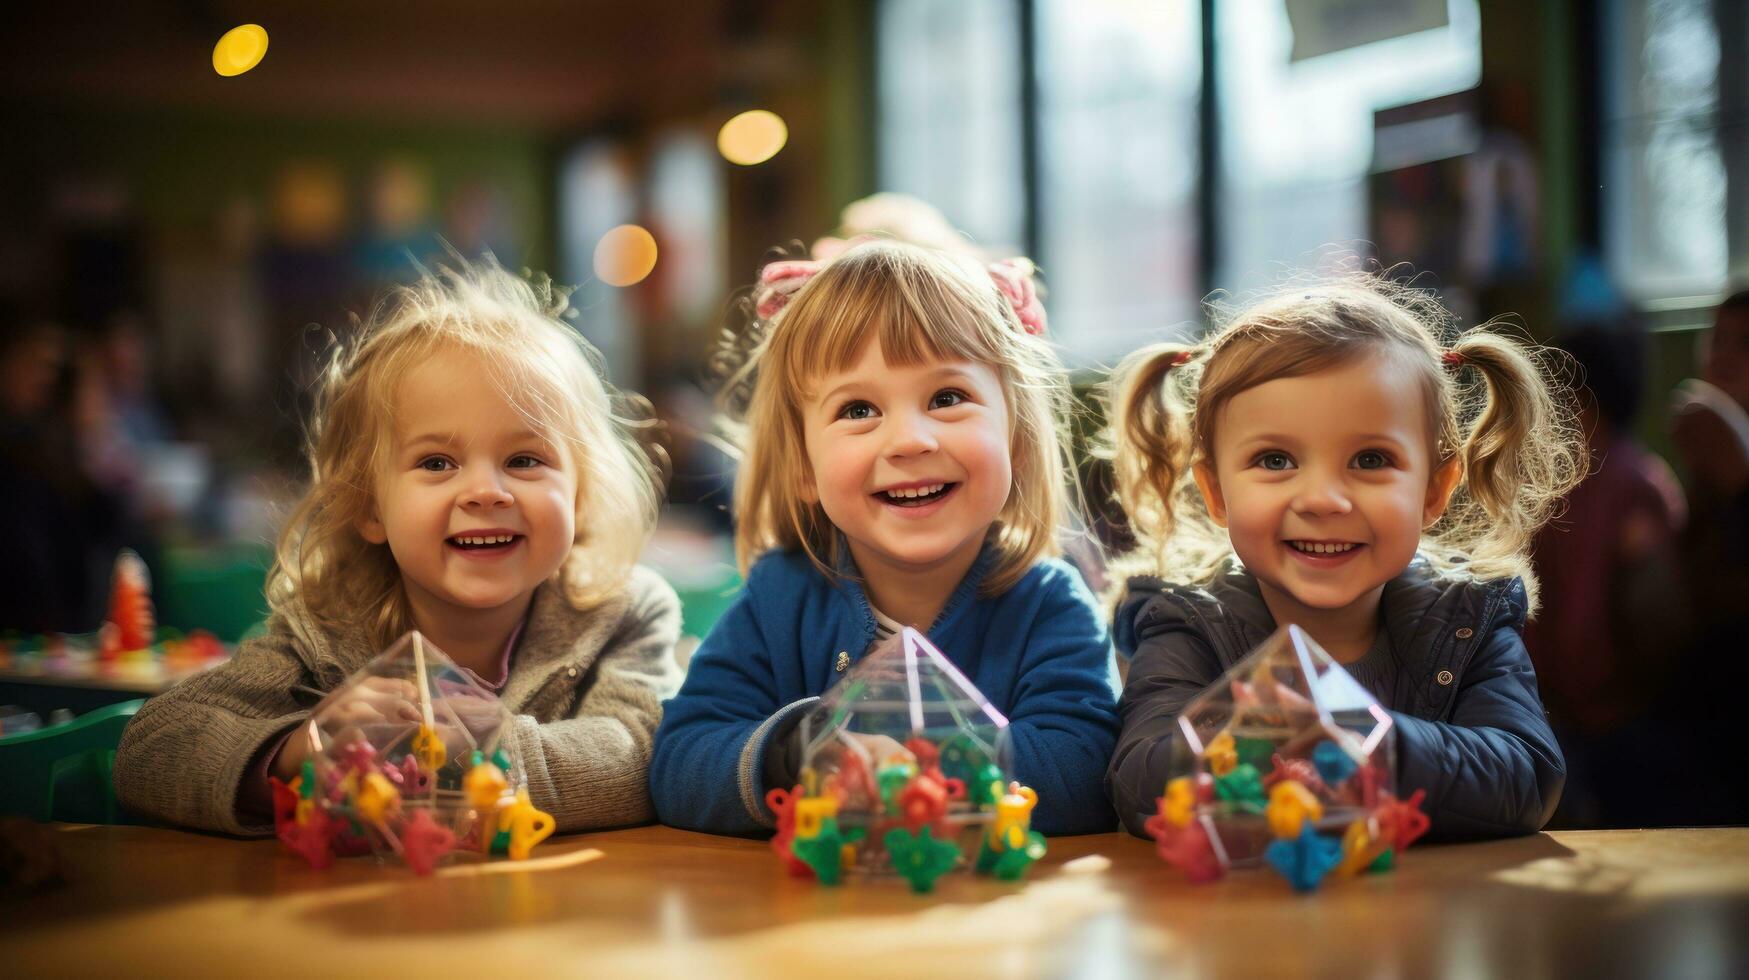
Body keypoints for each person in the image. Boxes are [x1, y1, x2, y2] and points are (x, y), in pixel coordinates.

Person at [115, 257, 682, 835]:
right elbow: (150, 749)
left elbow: (648, 756)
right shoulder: (329, 628)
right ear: (368, 507)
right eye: (437, 462)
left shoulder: (621, 611)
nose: (486, 491)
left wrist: (493, 750)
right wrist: (298, 752)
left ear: (582, 493)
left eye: (524, 460)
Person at [650, 239, 1119, 836]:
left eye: (947, 398)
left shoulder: (1049, 603)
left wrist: (913, 764)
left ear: (1018, 442)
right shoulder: (781, 596)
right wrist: (794, 754)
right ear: (802, 466)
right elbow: (680, 759)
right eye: (858, 410)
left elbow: (1084, 769)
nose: (909, 440)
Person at [1104, 275, 1584, 841]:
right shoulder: (1188, 620)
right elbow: (1138, 780)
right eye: (1276, 460)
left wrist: (1363, 742)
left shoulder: (1469, 618)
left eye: (1370, 459)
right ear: (1214, 491)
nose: (1323, 500)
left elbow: (1526, 777)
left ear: (1434, 489)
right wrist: (1266, 739)